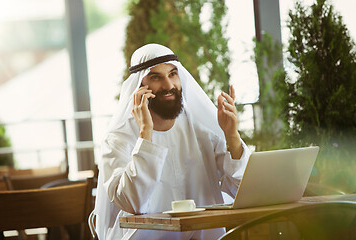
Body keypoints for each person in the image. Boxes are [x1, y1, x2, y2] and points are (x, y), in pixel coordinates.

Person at [94, 43, 251, 240]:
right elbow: (132, 201)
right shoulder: (117, 139)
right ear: (140, 88)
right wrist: (145, 132)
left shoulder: (201, 129)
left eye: (172, 74)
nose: (168, 85)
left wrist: (232, 136)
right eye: (156, 77)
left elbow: (241, 189)